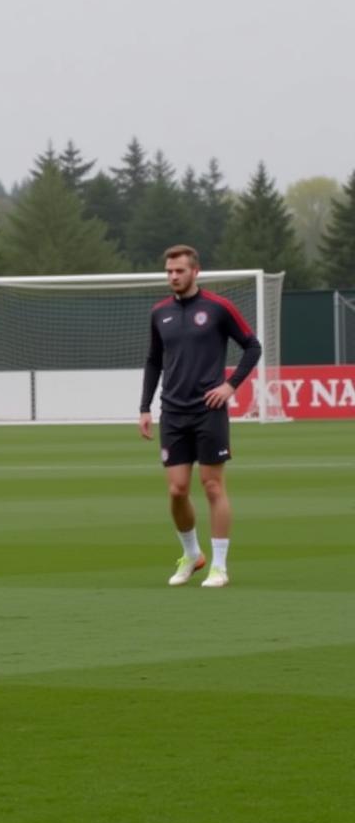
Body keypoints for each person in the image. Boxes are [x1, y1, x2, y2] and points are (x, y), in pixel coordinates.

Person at [139, 244, 263, 588]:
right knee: (177, 490)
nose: (173, 276)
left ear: (196, 271)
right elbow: (153, 361)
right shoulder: (159, 312)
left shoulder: (218, 307)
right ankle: (193, 555)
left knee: (212, 486)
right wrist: (144, 407)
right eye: (168, 271)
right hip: (173, 412)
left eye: (179, 270)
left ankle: (220, 566)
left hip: (208, 410)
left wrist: (230, 386)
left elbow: (253, 346)